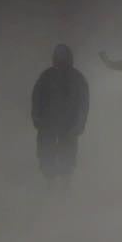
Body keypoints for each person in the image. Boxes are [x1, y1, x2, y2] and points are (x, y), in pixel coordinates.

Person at [31, 44, 90, 187]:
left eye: (63, 56)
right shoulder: (47, 75)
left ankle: (65, 182)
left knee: (67, 153)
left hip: (68, 123)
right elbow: (37, 97)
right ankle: (50, 181)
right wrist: (36, 116)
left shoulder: (76, 77)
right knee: (46, 151)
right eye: (58, 56)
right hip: (48, 122)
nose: (60, 59)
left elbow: (83, 102)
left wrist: (80, 123)